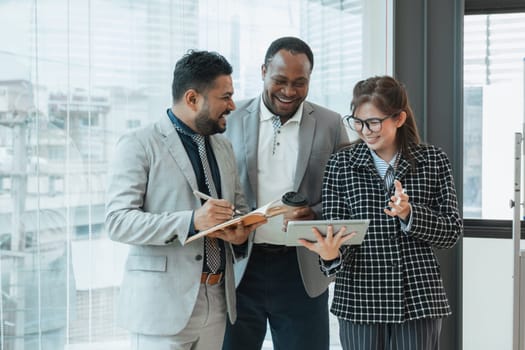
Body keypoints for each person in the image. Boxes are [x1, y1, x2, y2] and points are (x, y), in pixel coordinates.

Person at [105, 50, 264, 350]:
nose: (232, 105)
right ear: (192, 99)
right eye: (225, 97)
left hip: (218, 301)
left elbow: (238, 208)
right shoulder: (139, 143)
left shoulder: (224, 147)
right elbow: (118, 221)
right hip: (162, 308)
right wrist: (192, 221)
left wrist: (241, 232)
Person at [300, 75, 463, 350]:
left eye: (374, 122)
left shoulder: (433, 160)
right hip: (360, 301)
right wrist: (330, 256)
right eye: (358, 122)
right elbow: (336, 231)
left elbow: (451, 231)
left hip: (419, 301)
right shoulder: (341, 164)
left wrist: (410, 214)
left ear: (399, 118)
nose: (365, 130)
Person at [222, 36, 349, 350]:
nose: (289, 91)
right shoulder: (230, 121)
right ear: (263, 71)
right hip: (241, 267)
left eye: (299, 82)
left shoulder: (330, 124)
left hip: (301, 269)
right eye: (280, 80)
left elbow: (348, 193)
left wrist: (313, 213)